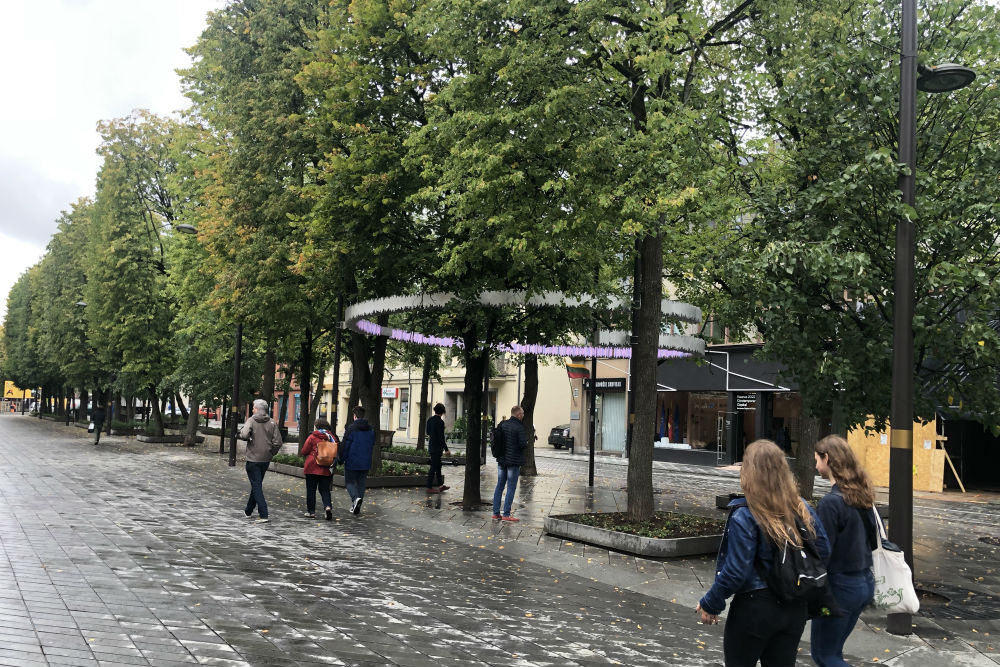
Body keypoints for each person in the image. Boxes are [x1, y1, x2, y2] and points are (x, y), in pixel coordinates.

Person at [697, 439, 831, 667]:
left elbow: (736, 571)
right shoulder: (802, 507)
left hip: (754, 608)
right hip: (794, 607)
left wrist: (711, 603)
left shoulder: (746, 514)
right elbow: (824, 551)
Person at [811, 435, 877, 667]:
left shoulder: (831, 503)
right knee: (834, 651)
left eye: (817, 460)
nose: (816, 465)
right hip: (863, 583)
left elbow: (822, 551)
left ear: (827, 459)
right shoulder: (862, 496)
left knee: (824, 655)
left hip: (840, 588)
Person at [239, 399, 284, 522]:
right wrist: (271, 453)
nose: (252, 409)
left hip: (253, 458)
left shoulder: (251, 421)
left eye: (253, 407)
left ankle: (263, 513)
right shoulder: (272, 423)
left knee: (256, 485)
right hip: (265, 460)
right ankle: (248, 510)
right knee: (257, 484)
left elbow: (243, 435)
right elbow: (278, 442)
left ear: (258, 409)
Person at [492, 405, 527, 522]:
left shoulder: (502, 424)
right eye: (522, 413)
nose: (523, 415)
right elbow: (523, 444)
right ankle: (506, 514)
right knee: (511, 487)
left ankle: (496, 513)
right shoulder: (519, 427)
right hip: (513, 461)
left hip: (502, 460)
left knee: (499, 486)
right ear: (518, 415)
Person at [338, 405, 375, 515]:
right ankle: (356, 505)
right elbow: (372, 444)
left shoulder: (351, 428)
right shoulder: (371, 429)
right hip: (365, 462)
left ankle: (355, 499)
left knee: (349, 482)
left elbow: (345, 446)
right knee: (361, 484)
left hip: (352, 461)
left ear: (354, 416)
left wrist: (341, 459)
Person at [300, 417, 336, 520]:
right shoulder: (331, 437)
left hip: (312, 466)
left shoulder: (312, 437)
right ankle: (328, 507)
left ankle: (311, 512)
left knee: (311, 490)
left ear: (316, 426)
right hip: (325, 466)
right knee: (325, 489)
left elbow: (304, 451)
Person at [425, 403, 451, 494]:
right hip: (437, 448)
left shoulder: (429, 420)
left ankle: (440, 486)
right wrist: (446, 449)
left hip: (431, 446)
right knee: (433, 467)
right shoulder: (440, 422)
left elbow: (428, 432)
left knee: (438, 466)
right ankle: (429, 487)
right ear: (442, 412)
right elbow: (441, 438)